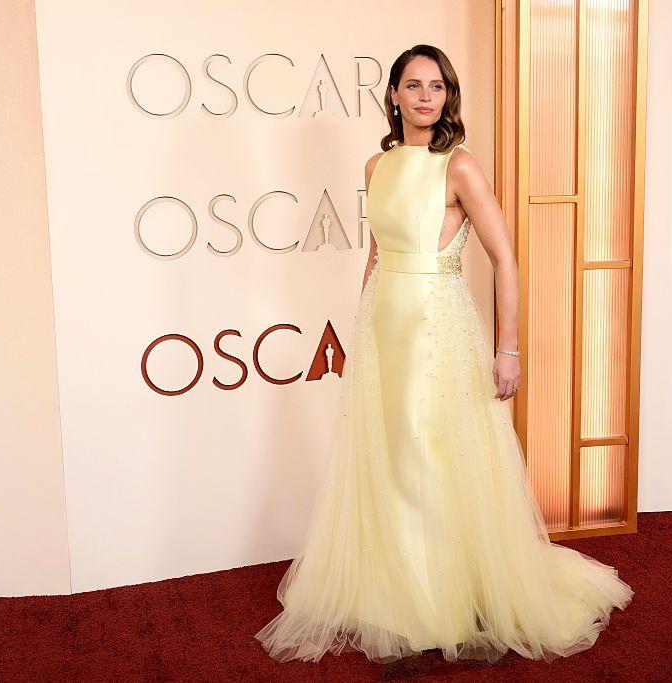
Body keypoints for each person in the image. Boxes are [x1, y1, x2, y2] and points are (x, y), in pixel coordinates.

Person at [255, 44, 633, 664]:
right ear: (395, 96)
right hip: (385, 328)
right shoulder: (376, 168)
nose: (425, 95)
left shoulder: (459, 168)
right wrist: (361, 325)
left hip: (439, 326)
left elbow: (505, 259)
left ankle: (448, 603)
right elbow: (377, 255)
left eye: (436, 86)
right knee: (391, 458)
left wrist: (507, 349)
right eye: (413, 84)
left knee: (436, 460)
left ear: (448, 97)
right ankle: (401, 600)